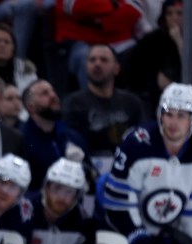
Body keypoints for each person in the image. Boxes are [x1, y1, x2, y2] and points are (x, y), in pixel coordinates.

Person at [97, 83, 192, 244]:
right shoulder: (136, 144)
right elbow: (117, 203)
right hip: (121, 233)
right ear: (160, 115)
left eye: (181, 116)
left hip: (167, 237)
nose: (173, 123)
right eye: (169, 114)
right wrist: (135, 234)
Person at [62, 44, 146, 176]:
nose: (97, 64)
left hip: (129, 169)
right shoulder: (73, 103)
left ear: (116, 68)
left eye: (104, 60)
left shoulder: (132, 103)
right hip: (89, 171)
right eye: (92, 60)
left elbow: (142, 139)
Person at [21, 78, 91, 191]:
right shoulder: (21, 140)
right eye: (44, 93)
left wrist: (84, 168)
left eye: (52, 91)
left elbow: (92, 178)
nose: (53, 95)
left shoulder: (73, 137)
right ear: (31, 106)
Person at [25, 156, 93, 244]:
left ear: (76, 197)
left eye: (69, 191)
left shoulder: (81, 220)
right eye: (57, 188)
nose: (61, 196)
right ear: (46, 187)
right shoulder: (25, 211)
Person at [123, 0, 183, 116]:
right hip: (151, 96)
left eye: (179, 13)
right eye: (169, 13)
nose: (173, 17)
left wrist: (178, 42)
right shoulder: (151, 40)